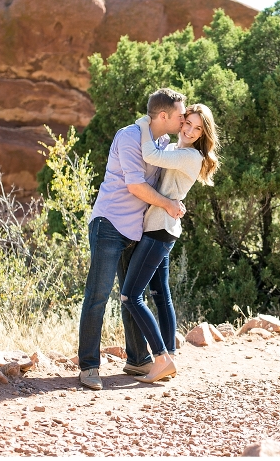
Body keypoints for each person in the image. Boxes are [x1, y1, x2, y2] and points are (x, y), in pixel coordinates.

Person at [77, 88, 188, 391]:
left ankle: (138, 359)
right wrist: (169, 205)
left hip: (136, 229)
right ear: (163, 116)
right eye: (180, 114)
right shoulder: (128, 136)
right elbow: (136, 185)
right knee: (98, 296)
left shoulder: (162, 142)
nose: (183, 118)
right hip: (109, 224)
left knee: (131, 295)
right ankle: (88, 366)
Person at [119, 104, 220, 383]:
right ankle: (170, 355)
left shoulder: (189, 155)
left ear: (203, 133)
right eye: (187, 122)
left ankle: (162, 358)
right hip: (163, 227)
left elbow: (150, 154)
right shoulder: (180, 152)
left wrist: (143, 123)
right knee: (160, 294)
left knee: (130, 296)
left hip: (159, 231)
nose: (188, 130)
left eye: (197, 127)